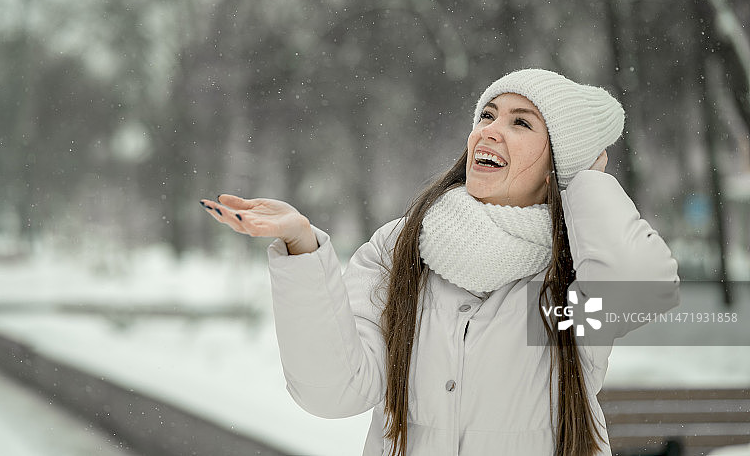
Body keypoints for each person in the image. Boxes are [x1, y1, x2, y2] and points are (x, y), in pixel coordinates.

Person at [199, 69, 681, 456]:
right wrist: (301, 247)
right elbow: (334, 390)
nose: (489, 130)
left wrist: (588, 183)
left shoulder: (573, 272)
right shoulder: (401, 247)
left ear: (562, 161)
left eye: (521, 122)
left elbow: (642, 289)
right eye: (487, 115)